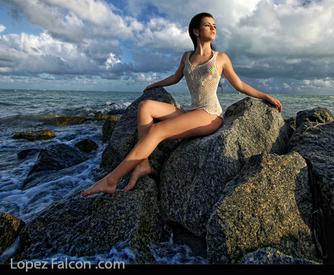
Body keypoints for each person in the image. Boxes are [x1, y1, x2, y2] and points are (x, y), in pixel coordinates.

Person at [81, 12, 282, 196]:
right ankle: (142, 163)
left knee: (157, 130)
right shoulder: (187, 57)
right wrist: (154, 84)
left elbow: (239, 85)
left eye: (215, 26)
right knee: (146, 107)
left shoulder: (220, 58)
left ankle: (111, 180)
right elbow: (175, 78)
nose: (213, 28)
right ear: (195, 31)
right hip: (190, 111)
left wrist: (265, 96)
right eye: (207, 25)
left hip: (210, 114)